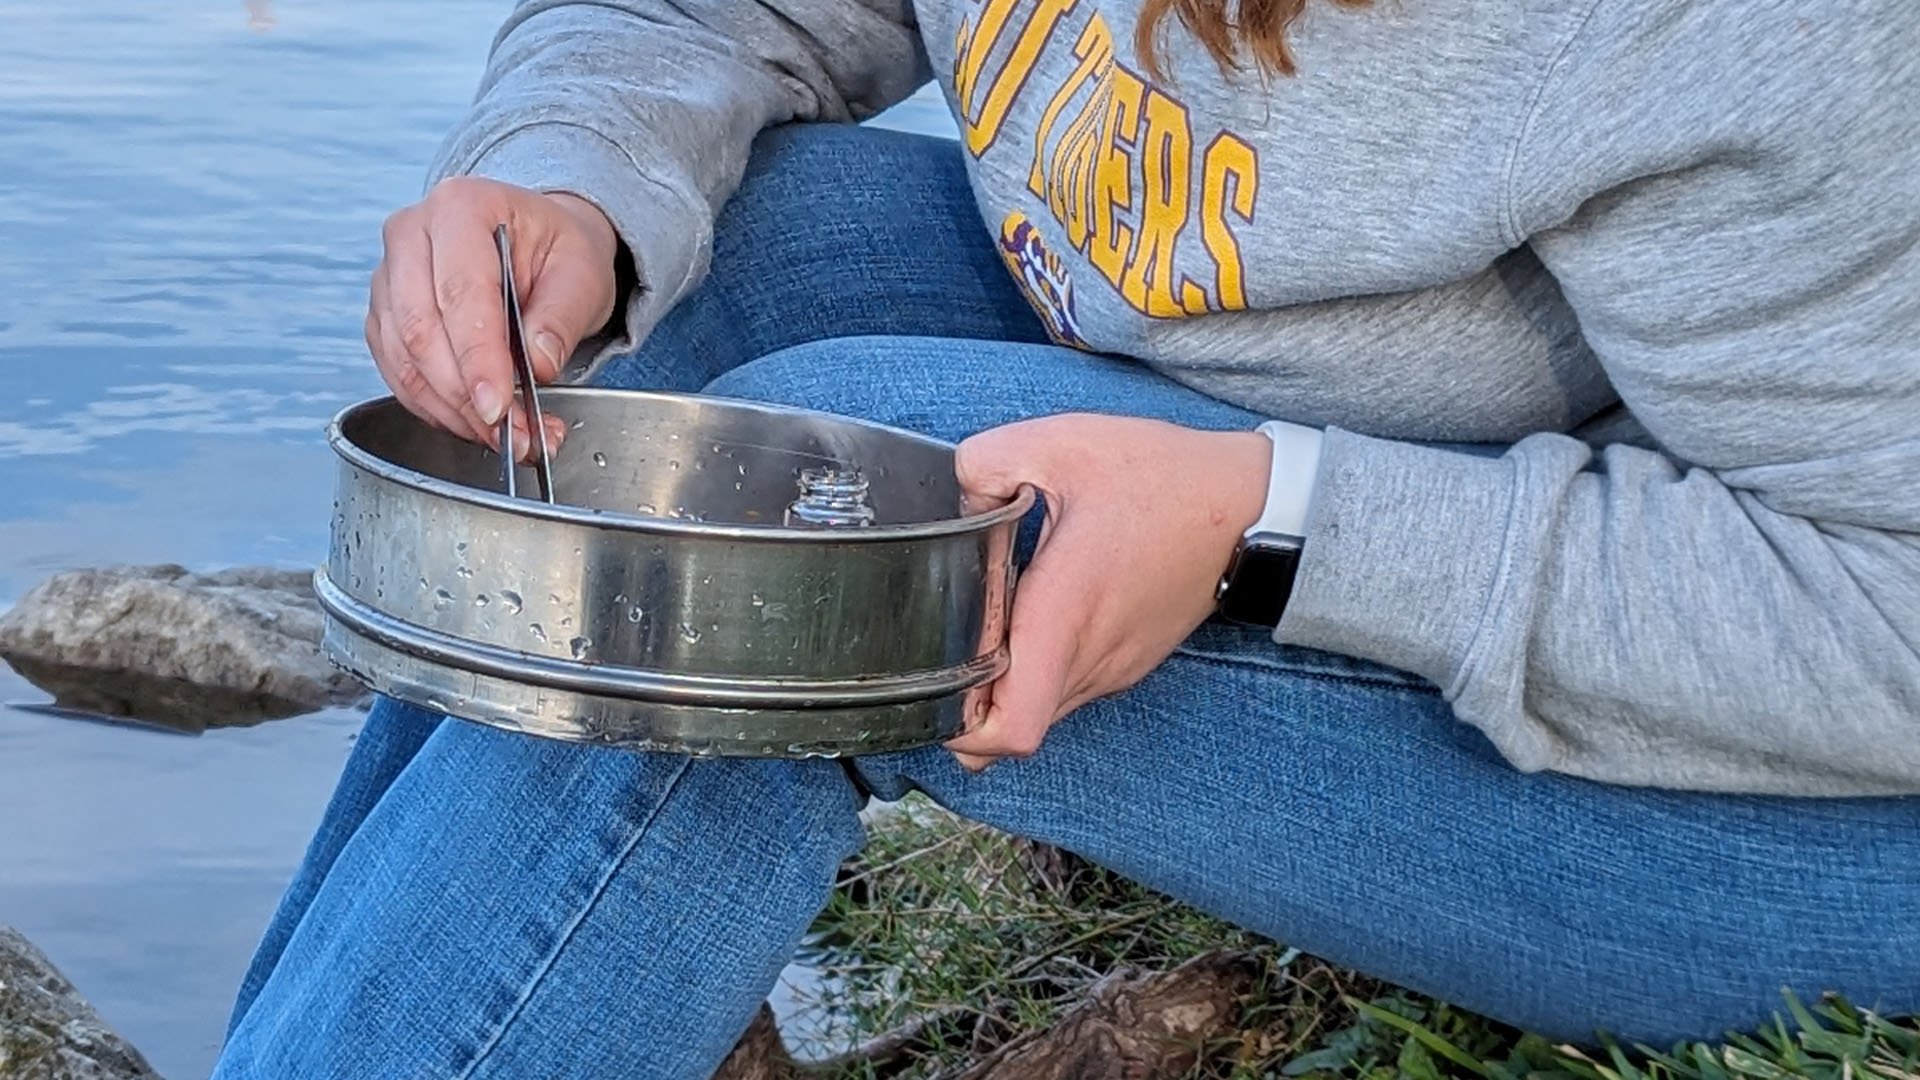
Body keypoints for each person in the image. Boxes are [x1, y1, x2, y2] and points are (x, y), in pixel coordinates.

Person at [213, 0, 1920, 1074]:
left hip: (1808, 805)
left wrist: (1279, 516)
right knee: (714, 273)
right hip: (1380, 442)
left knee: (807, 587)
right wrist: (567, 169)